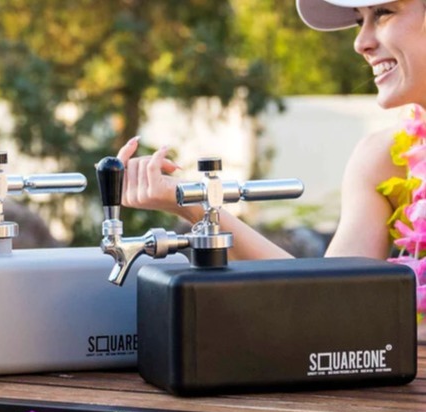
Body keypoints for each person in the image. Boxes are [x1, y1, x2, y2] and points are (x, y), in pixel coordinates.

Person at [117, 0, 426, 262]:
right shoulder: (382, 160)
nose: (361, 43)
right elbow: (332, 301)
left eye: (383, 13)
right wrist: (192, 205)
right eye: (360, 21)